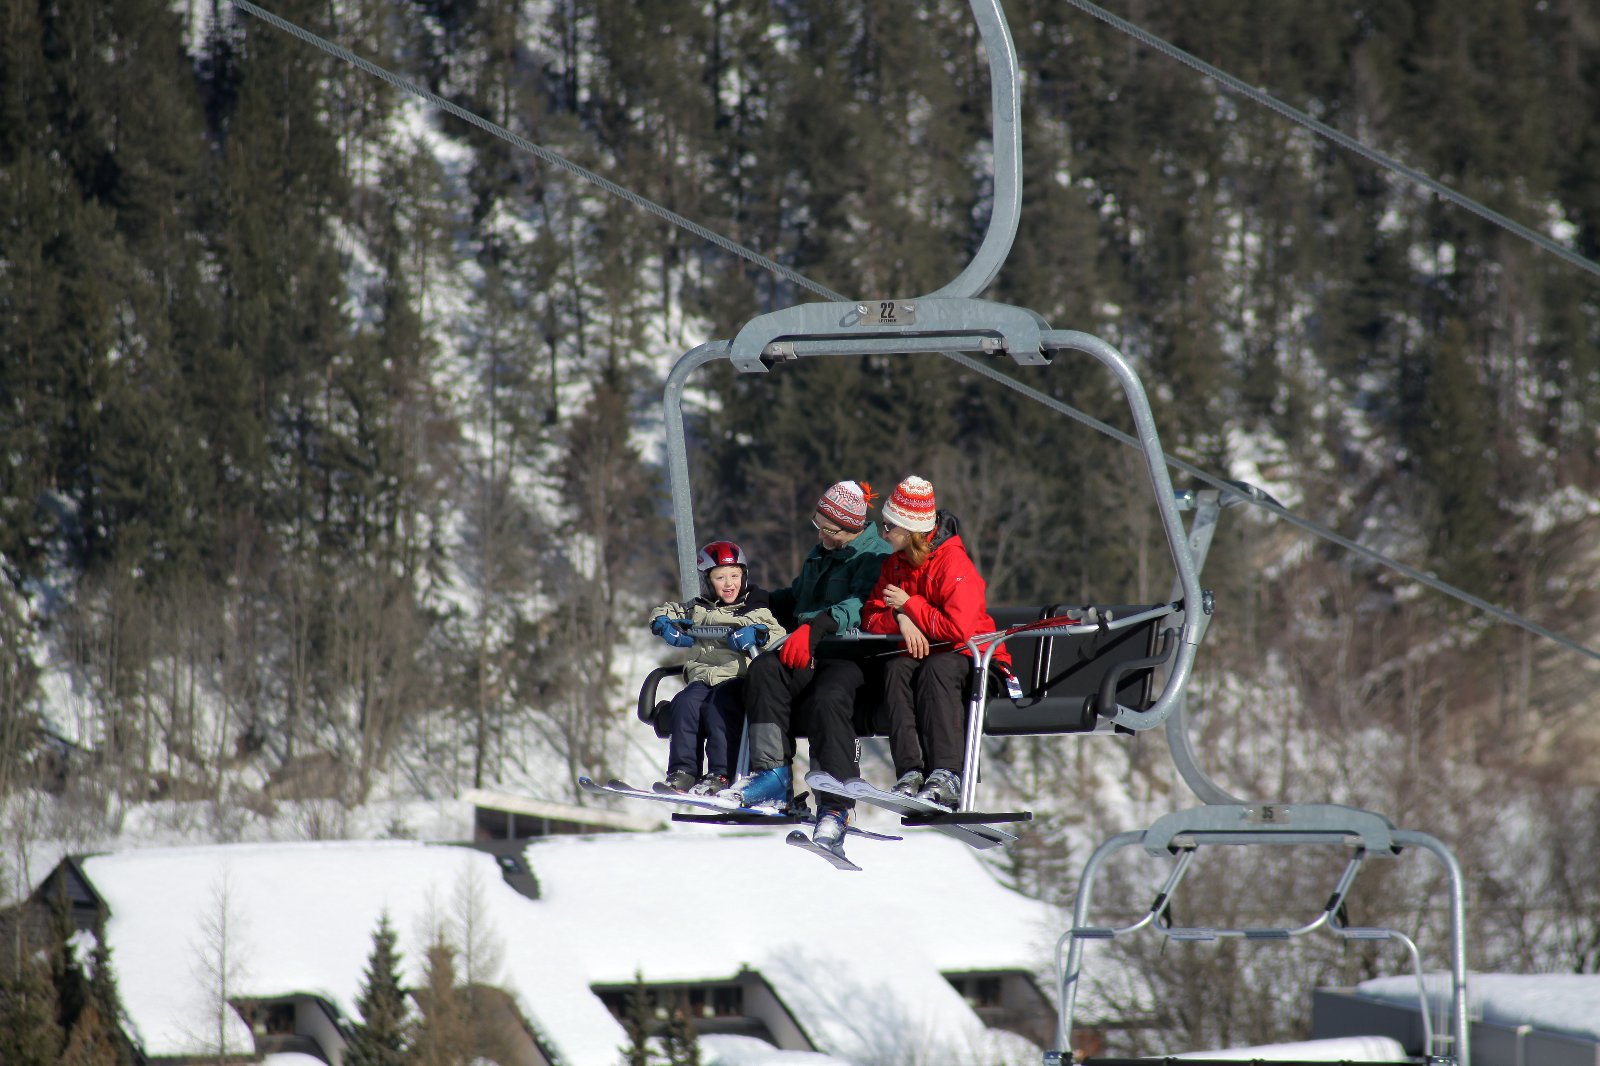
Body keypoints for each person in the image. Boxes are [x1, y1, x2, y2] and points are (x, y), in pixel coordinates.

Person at [717, 481, 893, 845]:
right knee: (765, 670)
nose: (823, 536)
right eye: (819, 526)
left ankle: (836, 804)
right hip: (808, 651)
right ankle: (772, 776)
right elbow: (798, 598)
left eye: (831, 531)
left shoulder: (875, 556)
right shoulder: (820, 553)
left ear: (852, 528)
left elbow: (862, 603)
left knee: (827, 699)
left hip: (850, 656)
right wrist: (758, 600)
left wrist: (818, 628)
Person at [859, 475, 1011, 811]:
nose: (884, 534)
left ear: (911, 530)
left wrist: (910, 605)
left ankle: (948, 773)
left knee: (936, 669)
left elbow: (958, 629)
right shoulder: (894, 565)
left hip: (974, 658)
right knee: (896, 668)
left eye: (889, 527)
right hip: (929, 653)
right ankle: (910, 772)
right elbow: (870, 615)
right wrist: (900, 618)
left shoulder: (953, 564)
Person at [649, 541, 785, 795]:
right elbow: (666, 609)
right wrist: (662, 622)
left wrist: (758, 634)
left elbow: (776, 633)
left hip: (737, 679)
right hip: (702, 679)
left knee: (718, 708)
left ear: (744, 576)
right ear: (708, 581)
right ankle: (683, 772)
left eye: (735, 576)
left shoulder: (754, 608)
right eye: (720, 578)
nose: (729, 583)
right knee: (684, 704)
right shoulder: (697, 608)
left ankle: (722, 773)